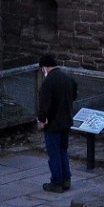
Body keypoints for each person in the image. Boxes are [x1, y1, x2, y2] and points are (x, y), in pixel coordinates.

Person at [36, 54, 77, 192]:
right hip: (66, 120)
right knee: (63, 151)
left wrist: (42, 120)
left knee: (54, 153)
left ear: (44, 68)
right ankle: (66, 179)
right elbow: (74, 95)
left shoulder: (48, 83)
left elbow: (44, 105)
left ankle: (56, 181)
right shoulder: (68, 78)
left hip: (53, 123)